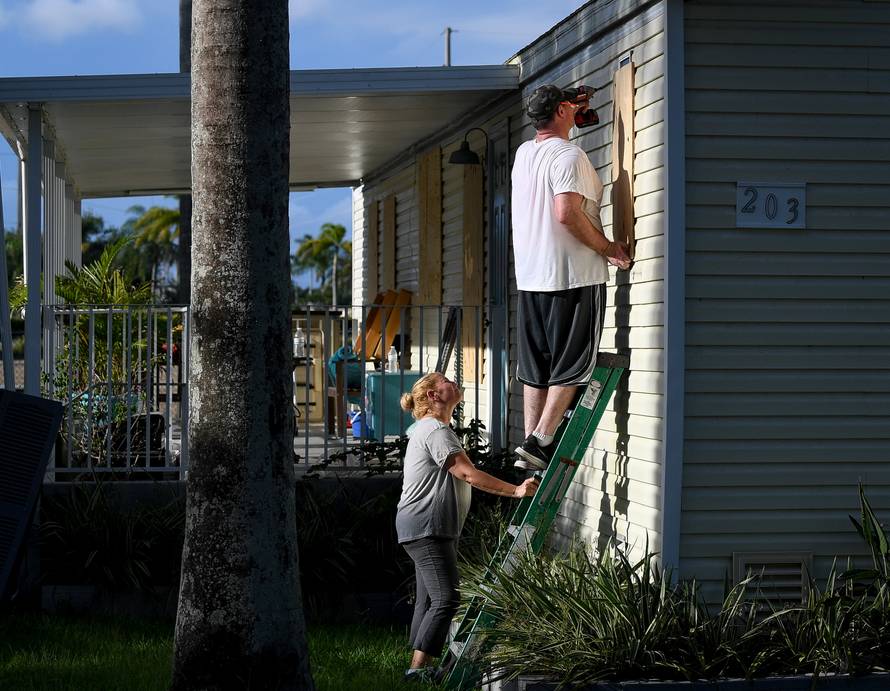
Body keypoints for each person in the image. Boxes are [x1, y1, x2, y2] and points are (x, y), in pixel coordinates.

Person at [511, 83, 632, 472]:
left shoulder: (523, 154)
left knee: (538, 367)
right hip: (571, 275)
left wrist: (566, 107)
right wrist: (608, 248)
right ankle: (543, 439)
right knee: (571, 363)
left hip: (531, 277)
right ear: (564, 110)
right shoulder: (569, 155)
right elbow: (566, 212)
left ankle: (531, 444)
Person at [396, 372, 539, 681]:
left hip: (424, 525)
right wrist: (515, 490)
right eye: (446, 380)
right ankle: (415, 673)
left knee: (429, 599)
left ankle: (414, 668)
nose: (454, 382)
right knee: (446, 599)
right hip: (428, 526)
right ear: (434, 396)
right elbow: (467, 473)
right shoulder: (435, 430)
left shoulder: (431, 428)